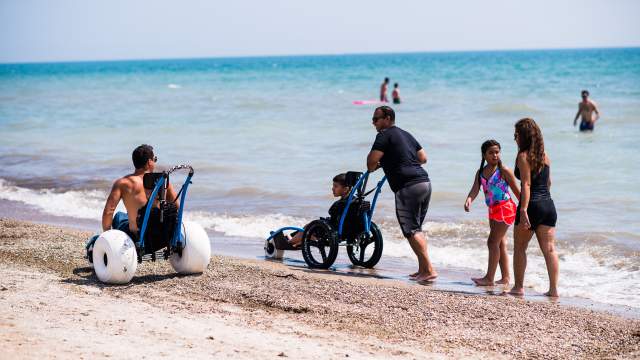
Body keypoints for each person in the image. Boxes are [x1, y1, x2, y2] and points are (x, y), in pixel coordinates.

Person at [366, 106, 437, 281]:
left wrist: (381, 164)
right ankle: (422, 269)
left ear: (387, 118)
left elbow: (371, 163)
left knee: (411, 230)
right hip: (424, 183)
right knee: (416, 229)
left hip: (408, 187)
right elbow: (423, 158)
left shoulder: (383, 135)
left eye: (376, 119)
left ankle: (429, 270)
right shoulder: (407, 134)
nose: (373, 122)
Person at [509, 118, 559, 298]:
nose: (514, 138)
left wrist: (523, 210)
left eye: (516, 135)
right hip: (548, 205)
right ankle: (553, 290)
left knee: (520, 247)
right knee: (550, 249)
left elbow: (527, 185)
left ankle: (518, 287)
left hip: (531, 206)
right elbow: (549, 182)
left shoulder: (522, 156)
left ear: (524, 136)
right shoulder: (545, 156)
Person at [464, 140, 520, 286]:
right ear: (484, 155)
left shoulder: (504, 171)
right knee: (500, 243)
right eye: (491, 152)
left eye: (497, 152)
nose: (495, 155)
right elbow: (475, 189)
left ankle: (489, 278)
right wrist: (469, 199)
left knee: (492, 242)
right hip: (492, 210)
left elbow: (517, 191)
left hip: (505, 208)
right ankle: (506, 277)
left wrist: (525, 210)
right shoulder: (481, 172)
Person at [101, 144, 178, 238]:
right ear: (149, 162)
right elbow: (176, 207)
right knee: (123, 216)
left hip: (136, 236)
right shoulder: (163, 181)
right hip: (161, 235)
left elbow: (108, 211)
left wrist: (107, 237)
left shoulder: (123, 183)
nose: (155, 162)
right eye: (155, 159)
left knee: (119, 216)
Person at [284, 173, 351, 247]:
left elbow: (331, 212)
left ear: (345, 189)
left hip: (333, 231)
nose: (332, 188)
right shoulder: (353, 201)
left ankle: (289, 243)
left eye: (335, 186)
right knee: (309, 226)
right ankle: (294, 239)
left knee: (309, 227)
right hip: (347, 231)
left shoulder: (340, 203)